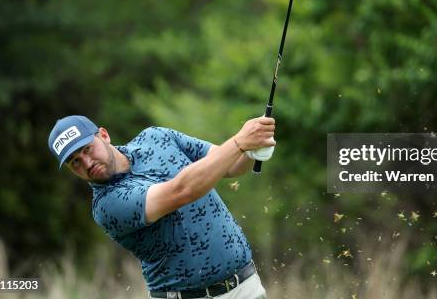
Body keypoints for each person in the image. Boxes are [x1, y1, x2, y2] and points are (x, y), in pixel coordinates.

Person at [47, 115, 276, 299]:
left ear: (104, 135)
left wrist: (252, 150)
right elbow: (181, 191)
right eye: (75, 161)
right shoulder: (107, 205)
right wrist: (239, 142)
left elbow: (229, 164)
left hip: (246, 287)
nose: (86, 163)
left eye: (87, 149)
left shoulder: (155, 138)